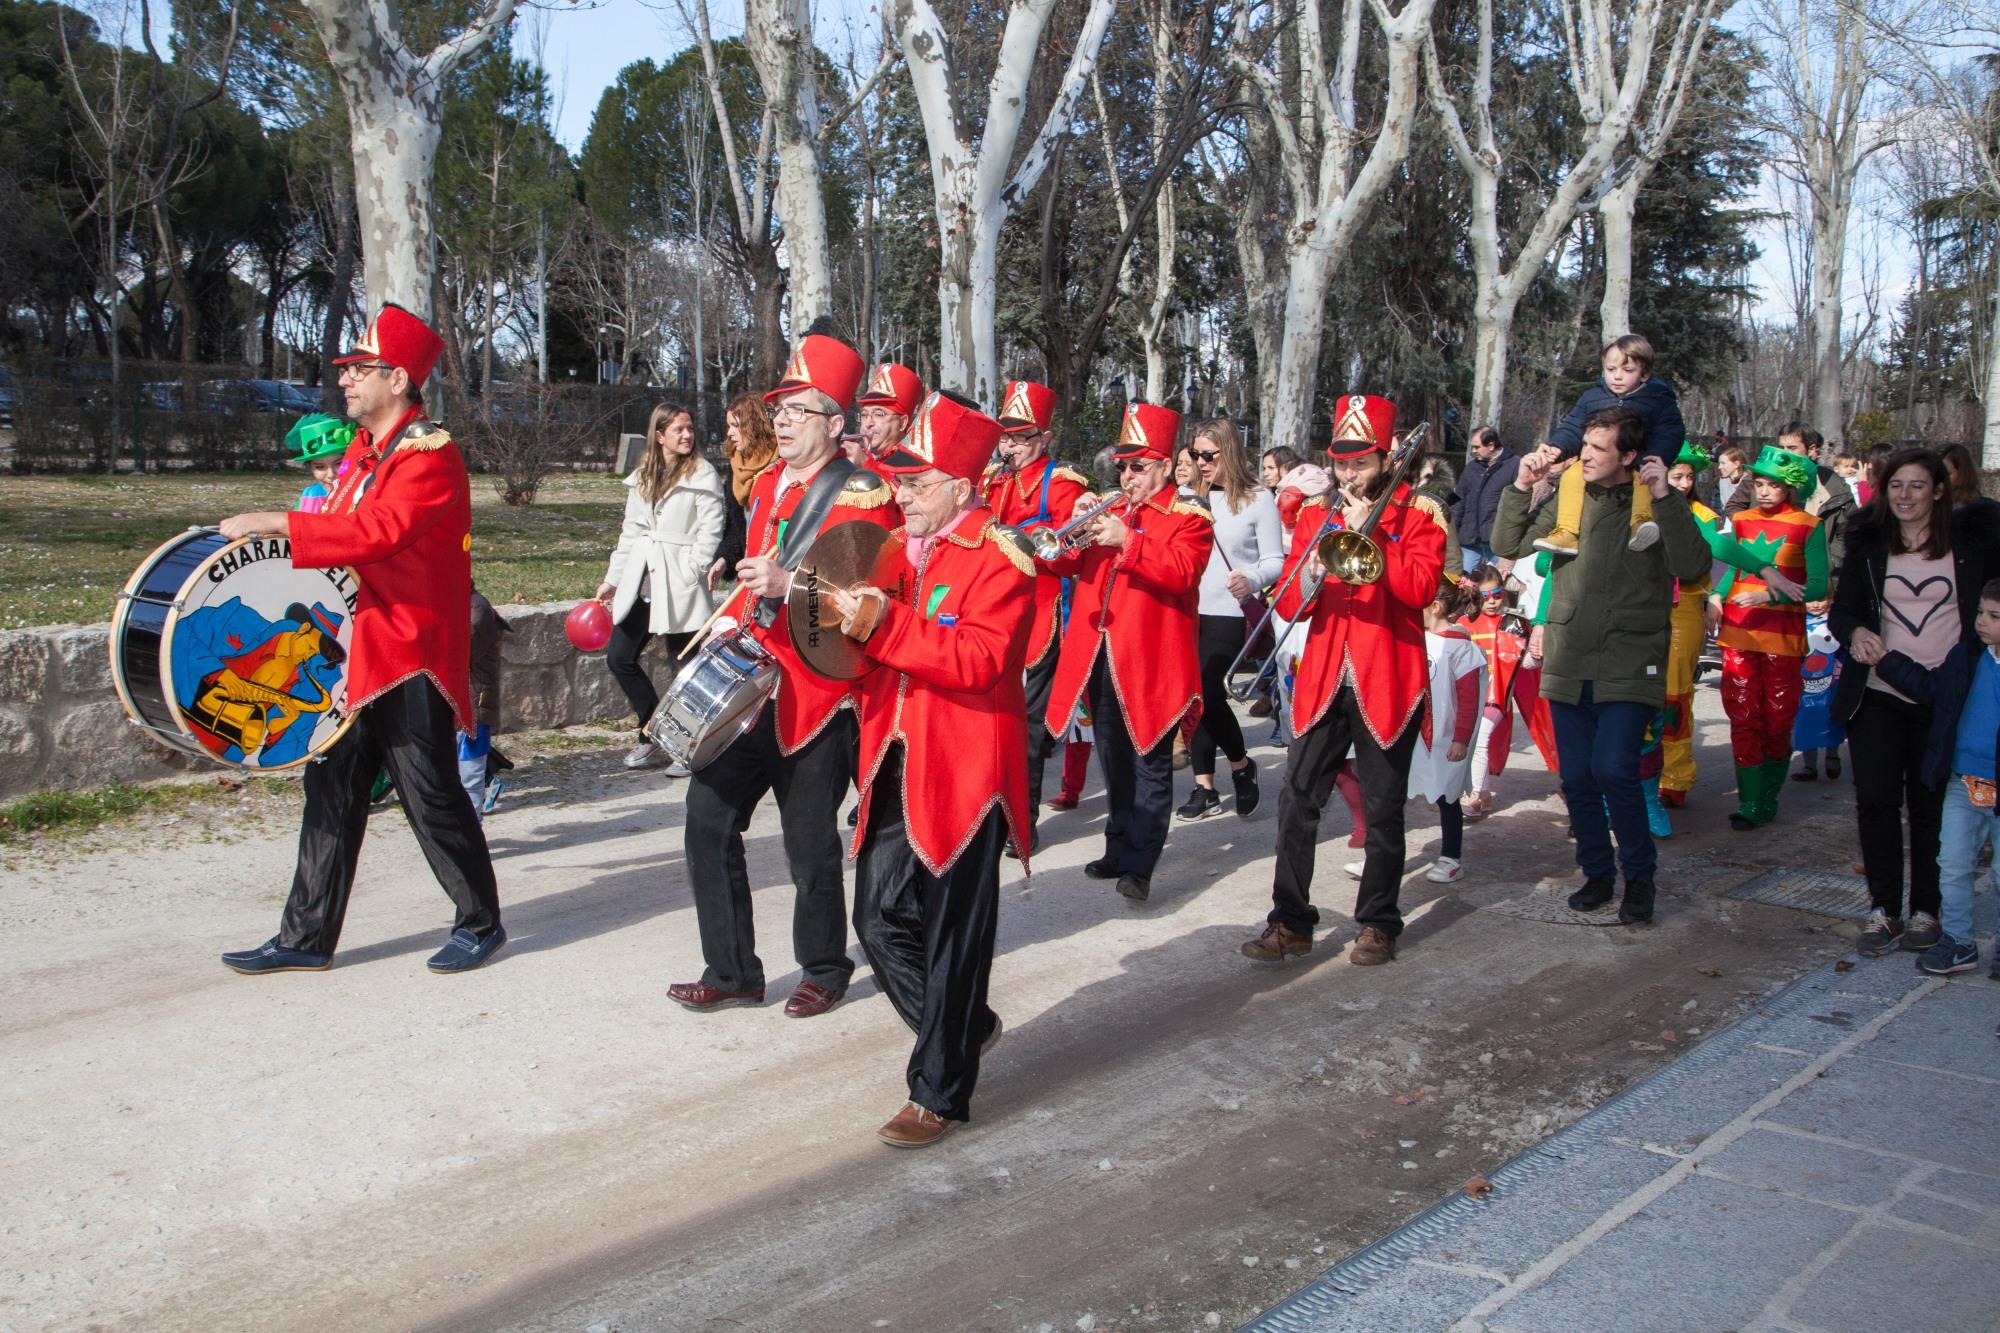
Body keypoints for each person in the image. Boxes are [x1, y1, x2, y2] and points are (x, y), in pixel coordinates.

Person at [216, 302, 506, 974]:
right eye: (346, 369)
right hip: (354, 648)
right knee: (331, 786)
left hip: (407, 649)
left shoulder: (429, 456)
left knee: (427, 789)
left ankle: (481, 920)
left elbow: (376, 535)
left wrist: (279, 521)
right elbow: (345, 527)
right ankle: (305, 935)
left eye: (360, 369)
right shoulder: (364, 452)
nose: (345, 379)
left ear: (399, 380)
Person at [824, 390, 1033, 1147]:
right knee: (876, 918)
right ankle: (963, 1025)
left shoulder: (999, 556)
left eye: (916, 482)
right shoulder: (901, 548)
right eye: (900, 480)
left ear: (962, 486)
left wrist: (880, 620)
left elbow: (978, 659)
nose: (900, 491)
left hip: (967, 767)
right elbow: (867, 655)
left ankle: (937, 1089)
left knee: (954, 933)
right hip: (895, 754)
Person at [668, 333, 897, 1018]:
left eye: (802, 408)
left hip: (817, 695)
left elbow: (865, 599)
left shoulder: (867, 494)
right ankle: (733, 968)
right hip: (752, 684)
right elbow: (759, 567)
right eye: (782, 407)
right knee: (705, 819)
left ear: (835, 423)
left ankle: (825, 966)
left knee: (809, 844)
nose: (786, 419)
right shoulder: (766, 483)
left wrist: (789, 580)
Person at [1240, 394, 1445, 967]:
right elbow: (1296, 610)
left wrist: (1372, 536)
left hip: (1388, 676)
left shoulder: (1419, 515)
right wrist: (1306, 575)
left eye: (1361, 463)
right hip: (1326, 675)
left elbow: (1422, 591)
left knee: (1383, 809)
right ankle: (1291, 922)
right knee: (1297, 797)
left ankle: (1379, 923)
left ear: (1385, 458)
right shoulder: (1315, 514)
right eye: (1342, 463)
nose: (1350, 474)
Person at [1493, 406, 1710, 925]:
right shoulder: (1570, 494)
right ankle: (1596, 873)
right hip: (1570, 654)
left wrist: (1665, 500)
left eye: (1597, 449)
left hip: (1631, 659)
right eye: (1584, 445)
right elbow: (1508, 544)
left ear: (1629, 456)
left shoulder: (1656, 501)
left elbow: (1694, 566)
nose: (1584, 456)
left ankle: (1639, 878)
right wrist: (1522, 487)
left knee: (1614, 769)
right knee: (1577, 777)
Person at [1040, 400, 1212, 904]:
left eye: (1139, 466)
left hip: (1152, 659)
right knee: (1112, 757)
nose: (1128, 475)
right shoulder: (1111, 507)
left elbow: (1183, 572)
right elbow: (1064, 566)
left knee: (1149, 760)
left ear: (1163, 465)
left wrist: (1128, 541)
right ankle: (1117, 847)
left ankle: (1140, 863)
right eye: (1123, 466)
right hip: (1099, 651)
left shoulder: (1190, 514)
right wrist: (1071, 533)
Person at [1831, 446, 2000, 958]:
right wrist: (1857, 631)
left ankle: (1928, 909)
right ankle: (1883, 909)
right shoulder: (1868, 543)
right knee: (1877, 801)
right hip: (1879, 692)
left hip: (1944, 698)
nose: (1905, 496)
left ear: (1940, 492)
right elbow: (1844, 613)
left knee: (1930, 807)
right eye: (1896, 486)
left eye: (1917, 486)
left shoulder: (1970, 544)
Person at [1870, 577, 2000, 977]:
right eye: (1981, 612)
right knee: (1953, 863)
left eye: (1994, 617)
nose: (1981, 621)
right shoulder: (1966, 657)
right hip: (1963, 783)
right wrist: (1885, 660)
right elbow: (1930, 689)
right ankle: (1959, 943)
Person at [982, 378, 1089, 844]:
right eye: (1006, 436)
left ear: (1043, 438)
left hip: (1041, 613)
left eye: (1022, 437)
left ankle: (1020, 824)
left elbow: (1073, 555)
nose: (1012, 446)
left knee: (1026, 726)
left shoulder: (1061, 482)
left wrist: (1034, 538)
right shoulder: (992, 479)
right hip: (989, 609)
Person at [596, 401, 728, 773]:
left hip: (680, 580)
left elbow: (710, 530)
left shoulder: (702, 473)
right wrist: (613, 579)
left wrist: (692, 569)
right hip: (643, 577)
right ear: (659, 436)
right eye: (678, 430)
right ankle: (653, 732)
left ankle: (689, 745)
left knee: (684, 665)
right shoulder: (644, 475)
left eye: (690, 429)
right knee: (619, 658)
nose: (687, 435)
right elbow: (630, 531)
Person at [1709, 446, 1829, 830]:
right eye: (1758, 483)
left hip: (1782, 638)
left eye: (1773, 485)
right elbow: (1736, 569)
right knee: (1743, 716)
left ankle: (1767, 797)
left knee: (1777, 719)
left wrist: (1768, 594)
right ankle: (1749, 801)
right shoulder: (1741, 520)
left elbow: (1818, 586)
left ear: (1791, 488)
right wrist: (1716, 594)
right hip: (1739, 632)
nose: (1763, 491)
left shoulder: (1809, 525)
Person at [1178, 418, 1283, 820]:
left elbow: (1275, 559)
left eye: (1209, 455)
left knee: (1206, 687)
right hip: (1188, 609)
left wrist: (1253, 577)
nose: (1201, 463)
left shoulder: (1258, 498)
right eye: (1196, 455)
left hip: (1230, 612)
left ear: (1230, 453)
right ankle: (1204, 786)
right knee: (1193, 696)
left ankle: (1241, 766)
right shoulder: (1186, 495)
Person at [1528, 334, 1686, 555]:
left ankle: (1641, 522)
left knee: (1644, 473)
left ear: (1645, 374)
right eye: (1611, 370)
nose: (1617, 377)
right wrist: (1558, 446)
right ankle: (1566, 532)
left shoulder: (1657, 399)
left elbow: (1671, 431)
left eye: (1627, 370)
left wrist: (1658, 455)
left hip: (1638, 457)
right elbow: (1573, 427)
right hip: (1599, 461)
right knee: (1572, 475)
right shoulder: (1592, 397)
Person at [1661, 440, 1726, 806]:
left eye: (1689, 477)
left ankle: (1674, 776)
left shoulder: (1703, 516)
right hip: (1644, 608)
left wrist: (1715, 597)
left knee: (1675, 694)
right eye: (1677, 476)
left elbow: (1721, 558)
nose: (1684, 483)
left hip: (1685, 609)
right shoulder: (1643, 511)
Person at [1408, 580, 1485, 883]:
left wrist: (1461, 739)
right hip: (1414, 737)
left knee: (1447, 798)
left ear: (1435, 607)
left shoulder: (1462, 650)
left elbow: (1469, 700)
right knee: (1393, 793)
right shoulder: (1417, 641)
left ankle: (1451, 857)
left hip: (1445, 739)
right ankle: (1384, 853)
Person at [1726, 423, 1853, 579]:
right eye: (1782, 447)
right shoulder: (1761, 476)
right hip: (1765, 571)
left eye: (1792, 448)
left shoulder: (1834, 486)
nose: (1785, 455)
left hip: (1814, 576)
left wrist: (1831, 561)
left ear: (1812, 449)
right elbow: (1734, 506)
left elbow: (1847, 531)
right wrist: (1752, 531)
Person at [461, 582, 506, 820]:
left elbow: (460, 654)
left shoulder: (476, 610)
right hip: (455, 706)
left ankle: (471, 833)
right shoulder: (462, 605)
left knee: (470, 775)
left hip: (474, 707)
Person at [1456, 426, 1520, 570]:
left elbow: (1517, 504)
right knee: (1463, 581)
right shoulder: (1471, 467)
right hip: (1470, 537)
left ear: (1491, 445)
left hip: (1496, 539)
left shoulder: (1514, 465)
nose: (1473, 451)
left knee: (1496, 583)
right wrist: (1450, 522)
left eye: (1477, 447)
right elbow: (1457, 496)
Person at [853, 361, 925, 480]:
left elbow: (899, 496)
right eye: (864, 415)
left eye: (879, 414)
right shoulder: (859, 455)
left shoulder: (914, 463)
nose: (868, 423)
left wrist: (866, 465)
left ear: (902, 423)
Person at [287, 413, 353, 513]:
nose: (331, 475)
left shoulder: (364, 492)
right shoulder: (308, 496)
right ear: (311, 468)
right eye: (320, 467)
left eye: (339, 463)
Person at [1940, 442, 2000, 528]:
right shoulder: (1932, 504)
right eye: (1939, 473)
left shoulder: (1983, 513)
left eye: (1948, 474)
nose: (1942, 479)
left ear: (1962, 474)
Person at [1713, 443, 1748, 512]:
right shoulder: (1721, 481)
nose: (1719, 467)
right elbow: (1717, 504)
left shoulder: (1748, 482)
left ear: (1736, 464)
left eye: (1723, 463)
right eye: (1719, 463)